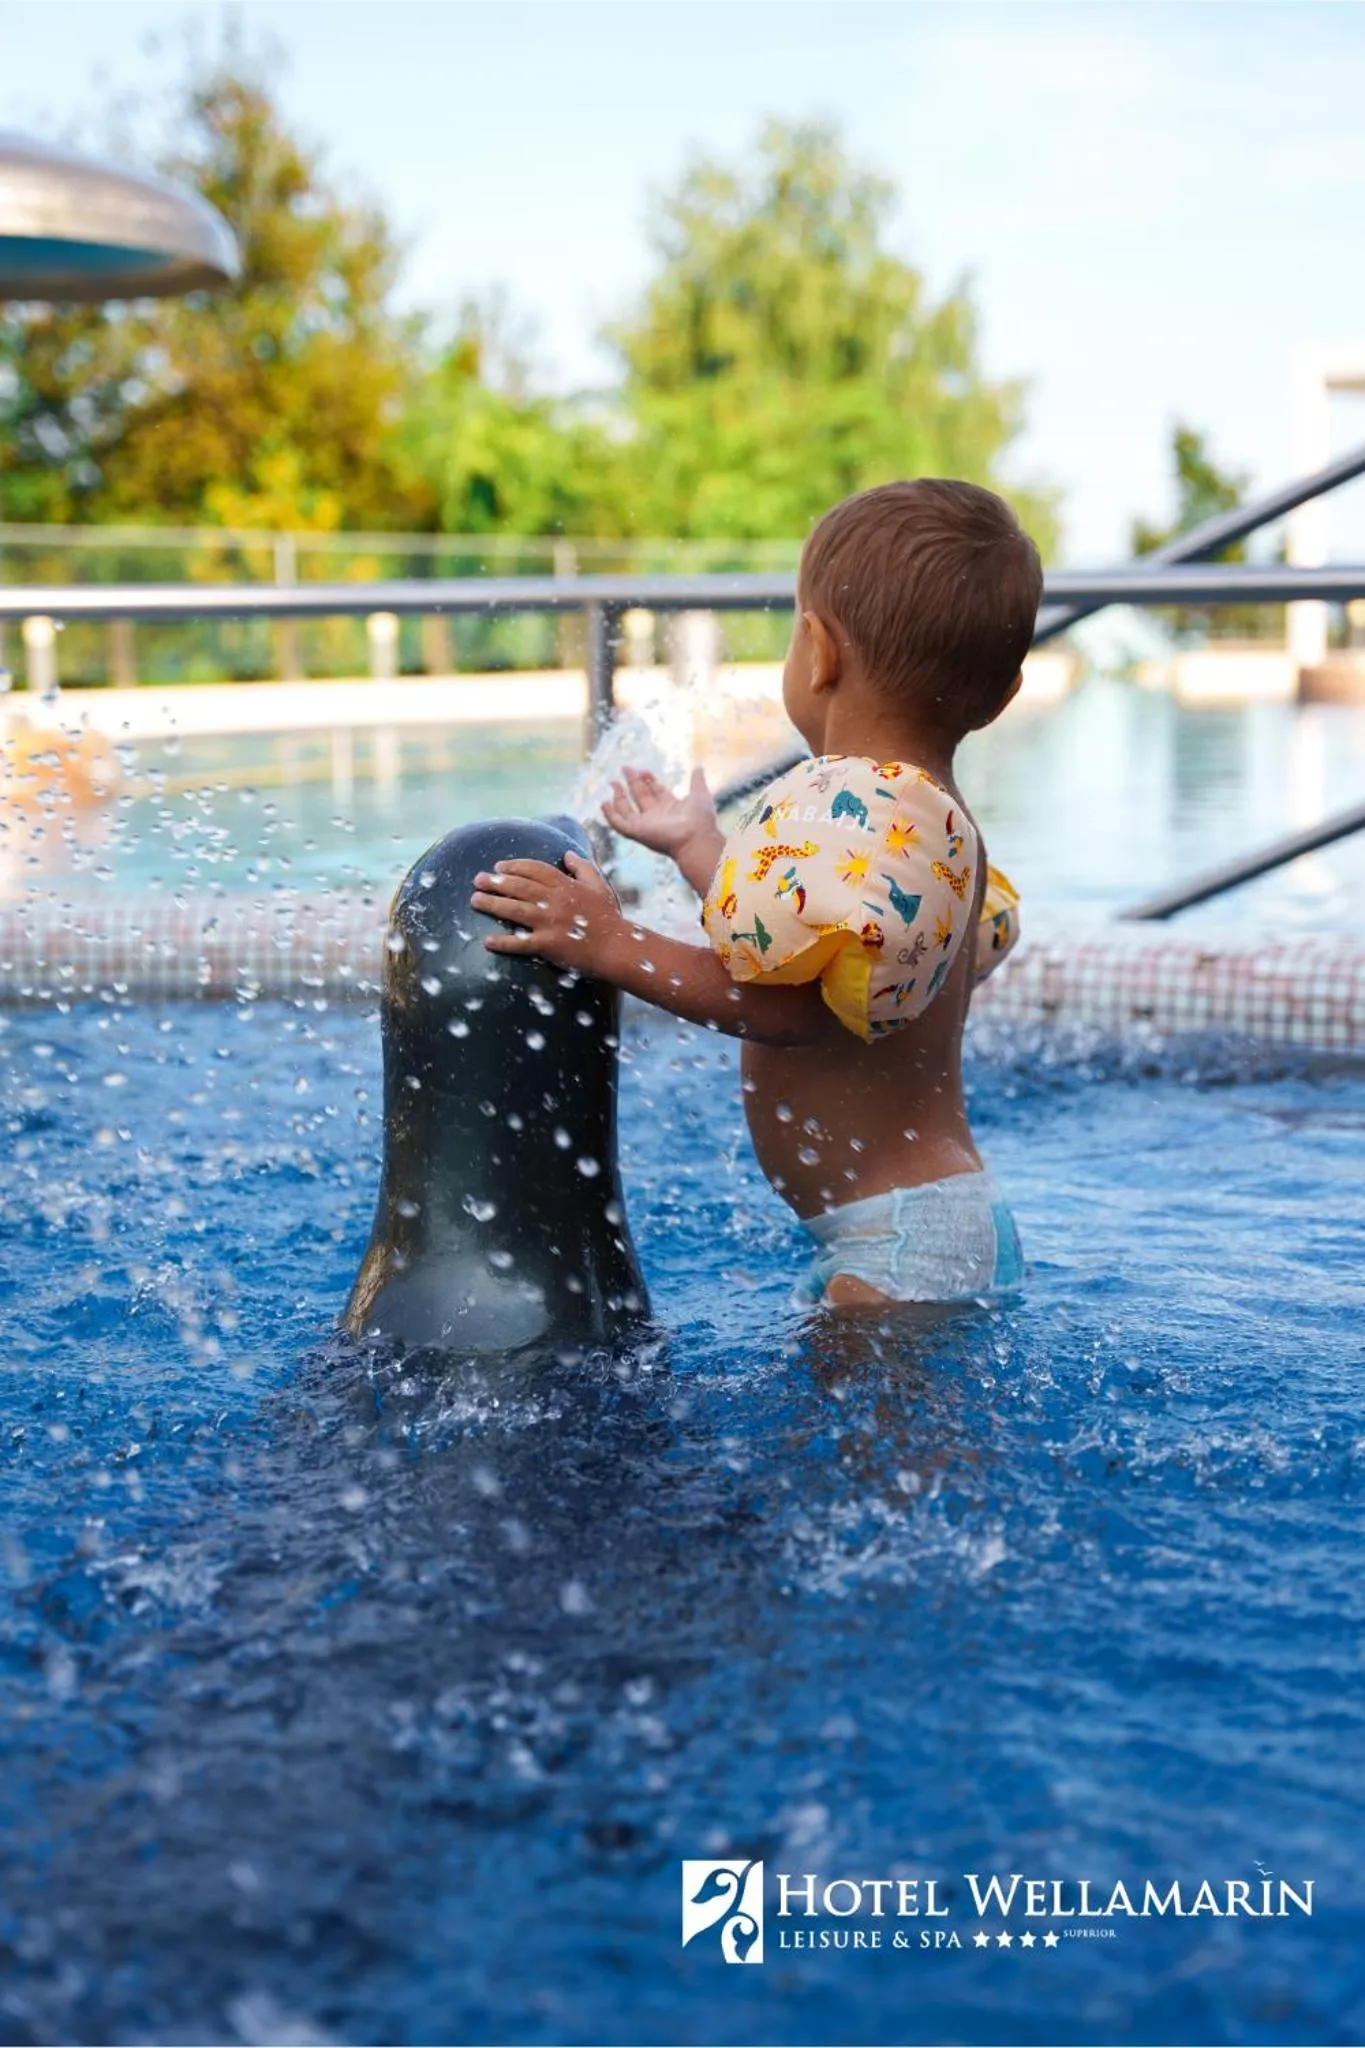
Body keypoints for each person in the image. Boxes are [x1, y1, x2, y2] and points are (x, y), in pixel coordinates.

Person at [470, 479, 1043, 1308]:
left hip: (898, 1249)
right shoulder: (919, 819)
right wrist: (700, 846)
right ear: (1002, 694)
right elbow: (795, 942)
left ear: (818, 651)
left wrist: (611, 943)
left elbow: (794, 1011)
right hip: (919, 1229)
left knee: (876, 1443)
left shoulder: (866, 806)